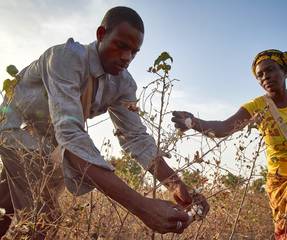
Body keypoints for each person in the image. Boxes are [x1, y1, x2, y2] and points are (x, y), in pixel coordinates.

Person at [0, 6, 209, 238]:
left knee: (5, 207)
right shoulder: (65, 58)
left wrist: (174, 184)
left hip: (49, 145)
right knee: (43, 220)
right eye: (120, 45)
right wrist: (141, 206)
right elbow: (69, 134)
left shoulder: (123, 84)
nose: (126, 57)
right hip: (14, 131)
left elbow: (136, 138)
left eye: (134, 52)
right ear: (101, 35)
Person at [172, 49, 287, 239]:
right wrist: (194, 122)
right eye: (260, 75)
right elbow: (223, 128)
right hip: (280, 183)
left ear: (284, 71)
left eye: (270, 70)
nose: (265, 77)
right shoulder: (256, 107)